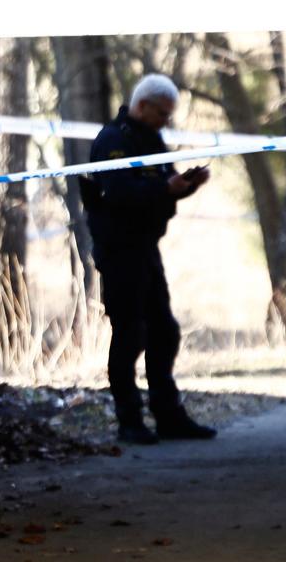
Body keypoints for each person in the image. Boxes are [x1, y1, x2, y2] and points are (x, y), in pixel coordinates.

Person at [82, 74, 216, 445]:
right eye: (162, 114)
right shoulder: (114, 141)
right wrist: (164, 188)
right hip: (119, 250)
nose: (165, 122)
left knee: (165, 331)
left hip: (146, 247)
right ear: (142, 106)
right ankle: (129, 420)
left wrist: (186, 185)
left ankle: (168, 415)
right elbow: (119, 193)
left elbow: (162, 187)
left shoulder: (152, 139)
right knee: (130, 333)